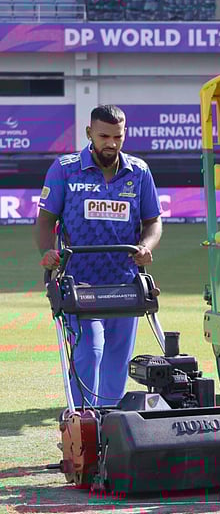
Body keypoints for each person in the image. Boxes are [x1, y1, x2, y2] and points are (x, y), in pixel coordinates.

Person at [35, 105, 162, 408]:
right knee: (90, 351)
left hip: (125, 283)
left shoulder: (139, 172)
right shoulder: (64, 169)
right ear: (89, 133)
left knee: (117, 359)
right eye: (104, 136)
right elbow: (45, 220)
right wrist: (48, 252)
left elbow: (153, 221)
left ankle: (110, 419)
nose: (111, 143)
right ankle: (83, 418)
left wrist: (146, 247)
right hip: (79, 282)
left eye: (118, 136)